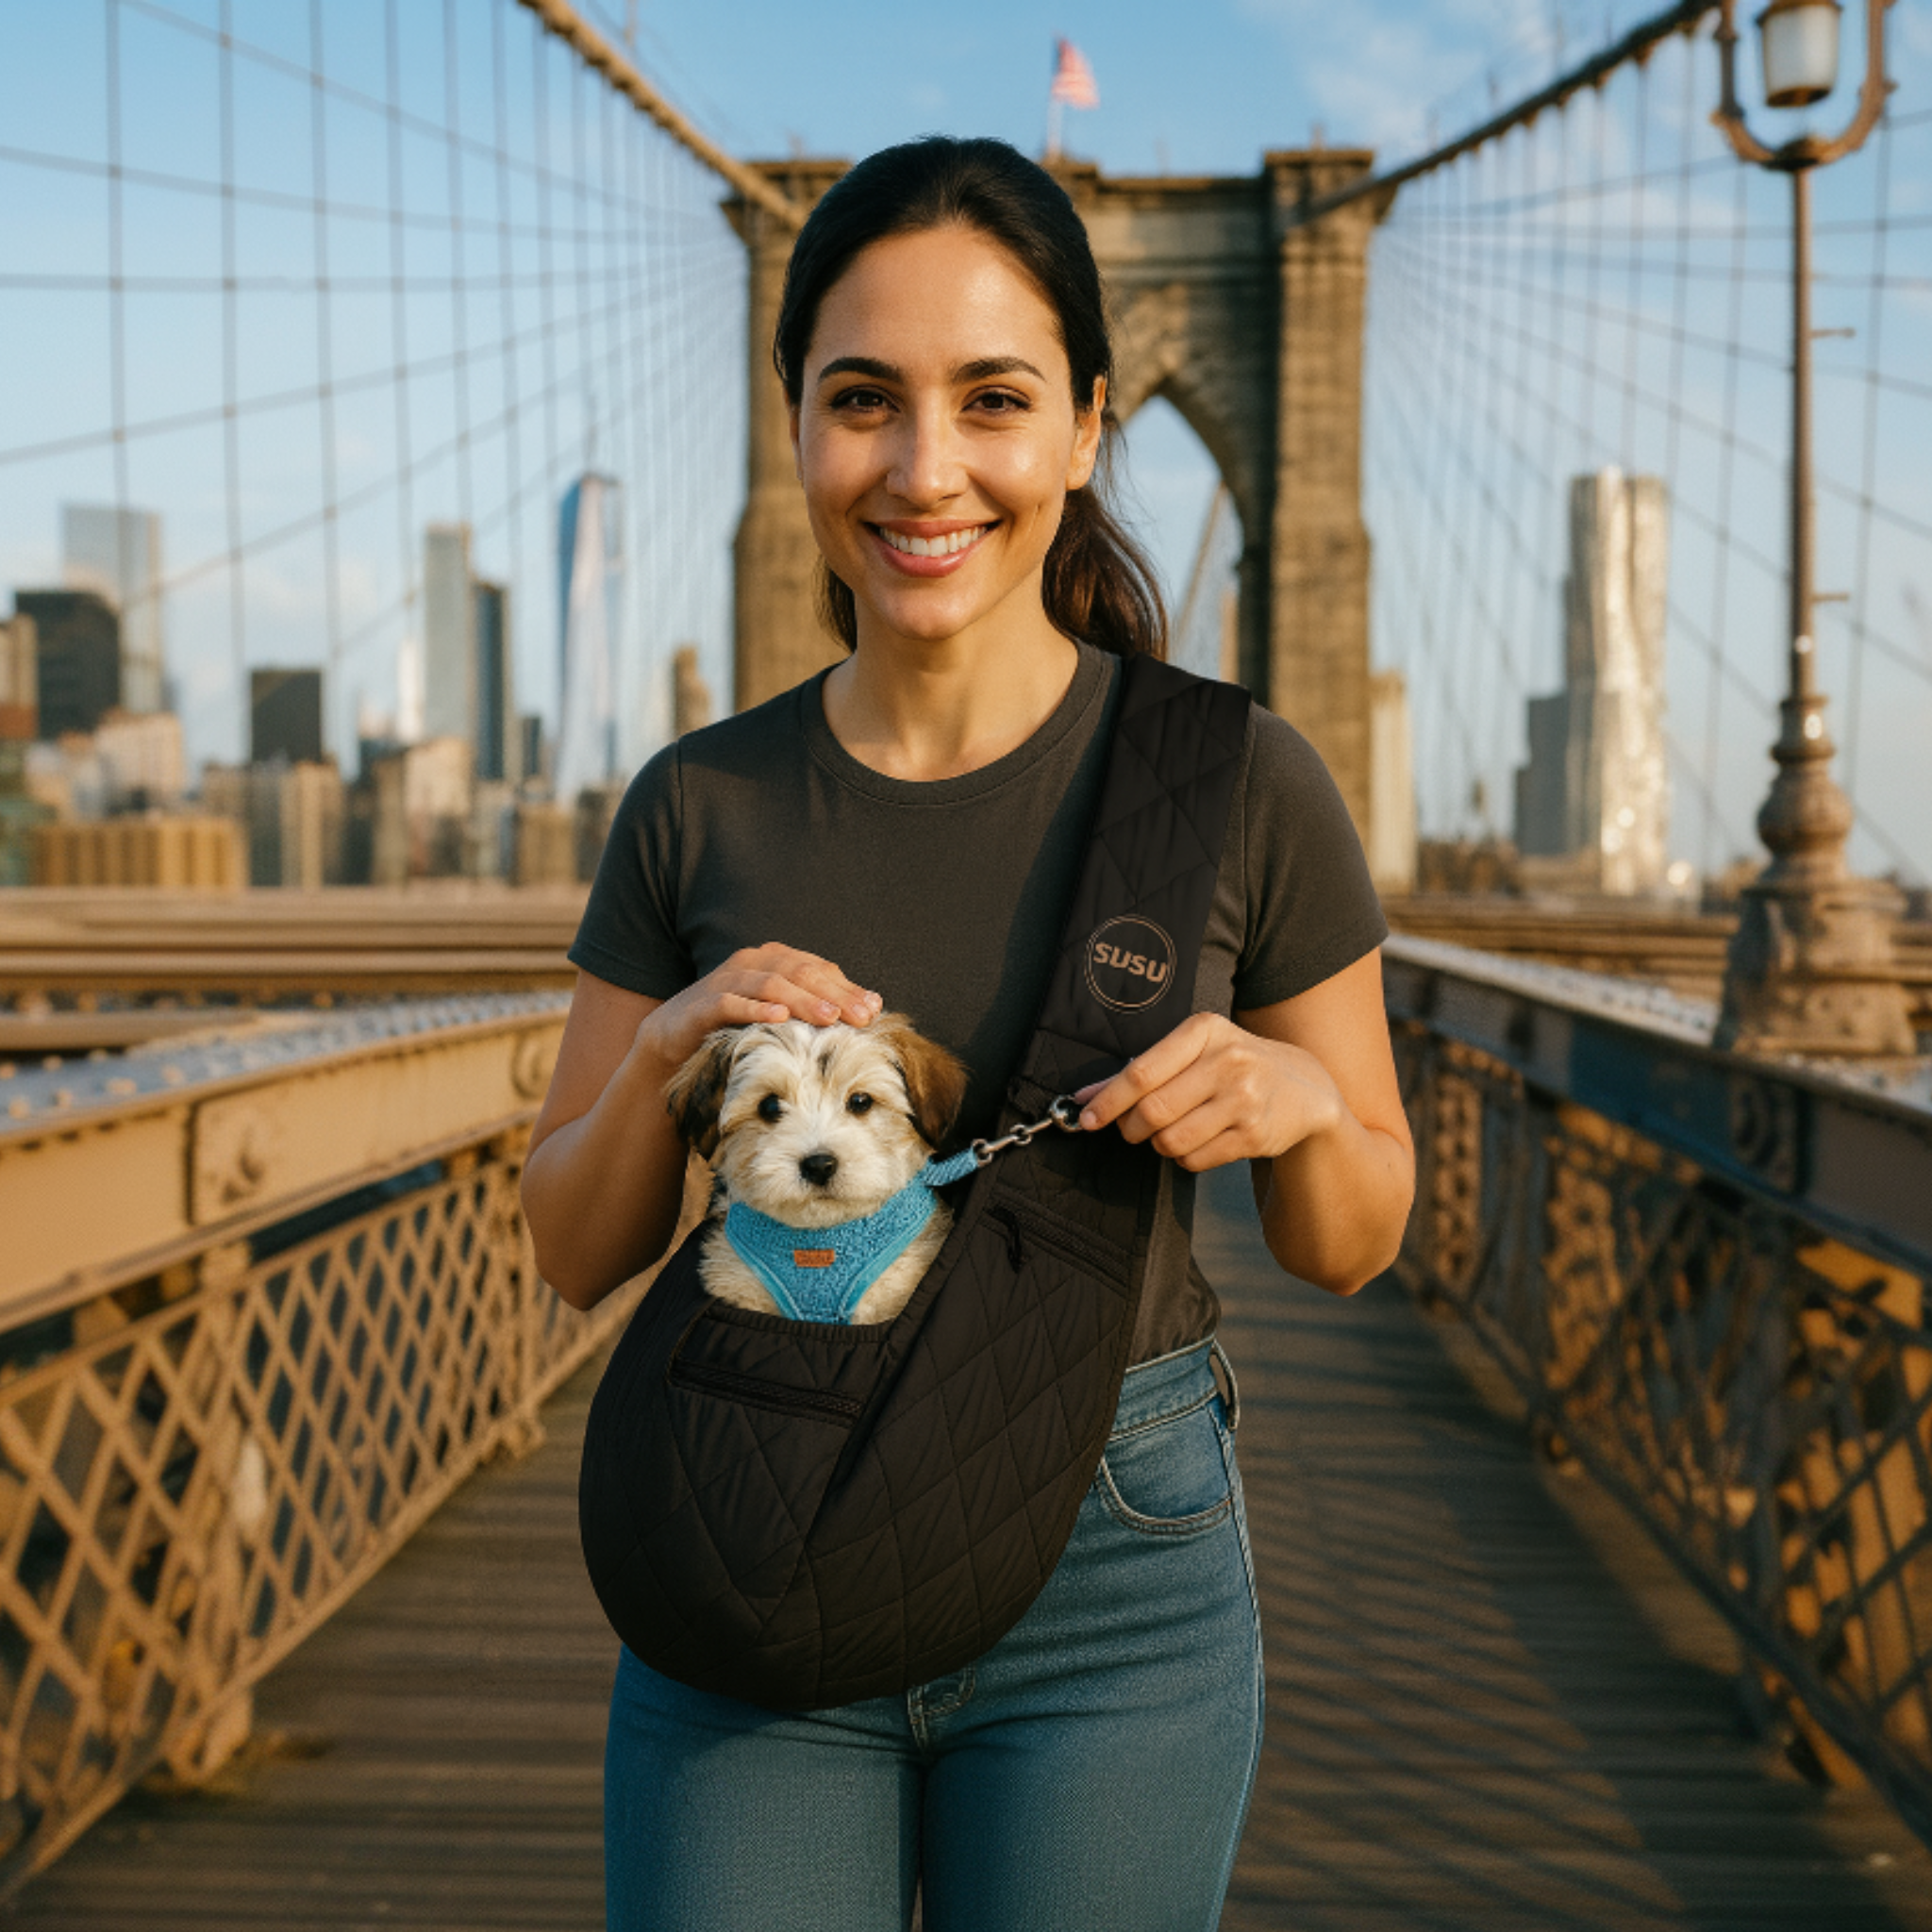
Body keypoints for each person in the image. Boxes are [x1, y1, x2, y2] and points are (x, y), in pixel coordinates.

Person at [521, 133, 1415, 1932]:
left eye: (992, 400)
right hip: (754, 1525)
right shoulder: (695, 801)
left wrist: (1306, 1098)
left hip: (1119, 1581)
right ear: (795, 426)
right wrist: (664, 1047)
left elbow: (1352, 1241)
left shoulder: (1239, 782)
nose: (926, 471)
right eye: (863, 400)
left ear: (1088, 427)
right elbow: (574, 1244)